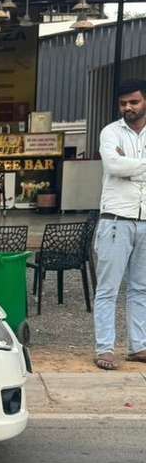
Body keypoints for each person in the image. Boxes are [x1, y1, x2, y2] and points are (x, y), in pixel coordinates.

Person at [93, 79, 146, 370]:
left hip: (145, 220)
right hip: (116, 219)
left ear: (145, 102)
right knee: (108, 289)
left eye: (134, 102)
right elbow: (113, 166)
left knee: (141, 288)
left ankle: (138, 346)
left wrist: (132, 166)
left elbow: (123, 167)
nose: (128, 107)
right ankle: (105, 349)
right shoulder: (110, 132)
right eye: (124, 103)